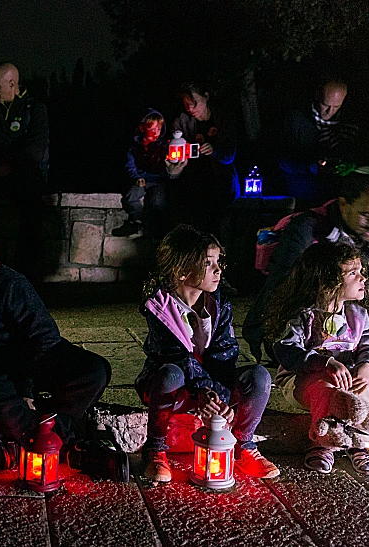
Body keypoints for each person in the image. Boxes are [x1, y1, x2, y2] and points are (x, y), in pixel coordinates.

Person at [0, 200, 110, 449]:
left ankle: (51, 431)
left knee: (94, 370)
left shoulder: (10, 284)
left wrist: (25, 388)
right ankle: (44, 437)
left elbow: (45, 337)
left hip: (30, 362)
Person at [136, 224, 278, 482]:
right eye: (207, 263)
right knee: (170, 373)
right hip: (176, 389)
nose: (218, 269)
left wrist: (219, 399)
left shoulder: (218, 303)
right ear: (180, 272)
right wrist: (204, 392)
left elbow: (225, 353)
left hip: (209, 389)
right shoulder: (159, 307)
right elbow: (176, 356)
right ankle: (155, 447)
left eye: (217, 261)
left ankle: (243, 445)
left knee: (258, 376)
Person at [243, 170, 369, 362]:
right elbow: (280, 287)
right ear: (344, 205)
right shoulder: (307, 229)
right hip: (300, 332)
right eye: (366, 215)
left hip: (345, 327)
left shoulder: (364, 236)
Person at [268, 241, 369, 474]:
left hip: (348, 378)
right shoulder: (304, 316)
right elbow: (286, 348)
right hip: (302, 380)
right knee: (325, 389)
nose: (362, 278)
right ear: (328, 281)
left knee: (367, 386)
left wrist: (366, 366)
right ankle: (323, 442)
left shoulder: (358, 315)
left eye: (361, 271)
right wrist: (325, 363)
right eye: (353, 273)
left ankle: (362, 444)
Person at [0, 62, 49, 284]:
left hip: (24, 177)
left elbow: (36, 148)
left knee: (32, 213)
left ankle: (25, 275)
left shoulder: (34, 110)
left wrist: (11, 165)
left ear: (12, 84)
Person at [171, 83, 238, 236]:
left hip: (220, 183)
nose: (191, 109)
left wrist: (214, 151)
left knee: (217, 225)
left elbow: (229, 156)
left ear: (206, 97)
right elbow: (174, 156)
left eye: (194, 103)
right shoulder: (182, 122)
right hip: (194, 184)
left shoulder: (223, 119)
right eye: (187, 105)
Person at [279, 79, 359, 206]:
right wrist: (309, 167)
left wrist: (351, 165)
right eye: (325, 105)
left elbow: (359, 155)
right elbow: (282, 160)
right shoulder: (296, 120)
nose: (329, 111)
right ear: (317, 96)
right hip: (302, 195)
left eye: (336, 107)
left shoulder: (350, 124)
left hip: (338, 196)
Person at [112, 109, 186, 239]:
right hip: (141, 179)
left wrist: (174, 170)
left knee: (157, 201)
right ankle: (136, 222)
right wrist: (136, 178)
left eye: (159, 129)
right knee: (131, 196)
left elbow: (170, 167)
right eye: (152, 129)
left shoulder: (163, 146)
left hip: (158, 180)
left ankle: (156, 231)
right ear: (142, 128)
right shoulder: (134, 146)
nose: (156, 133)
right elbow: (130, 165)